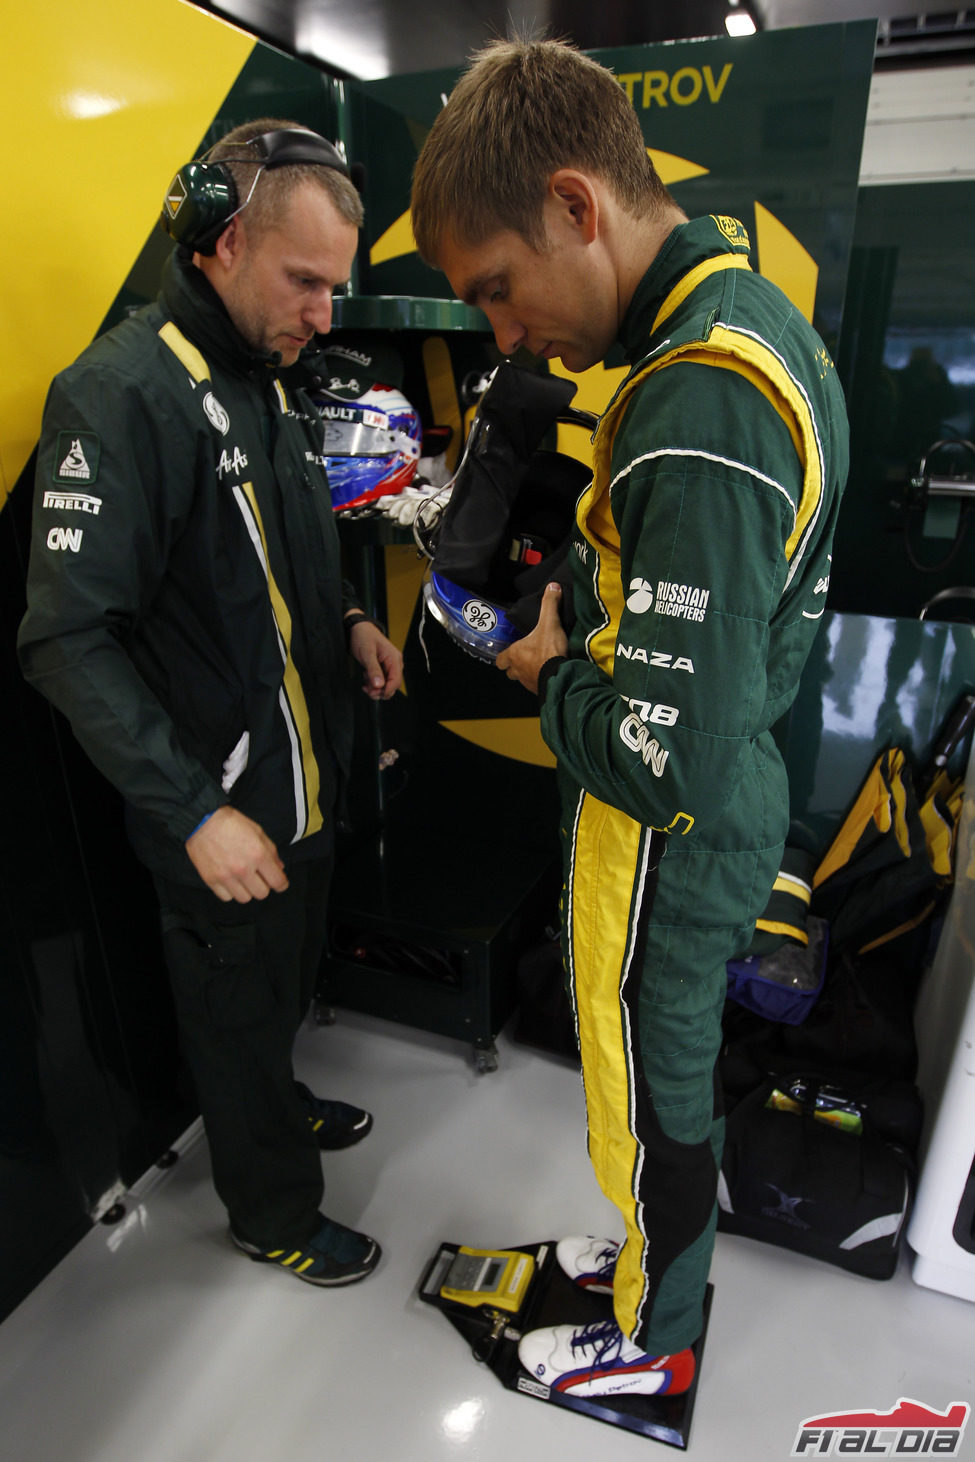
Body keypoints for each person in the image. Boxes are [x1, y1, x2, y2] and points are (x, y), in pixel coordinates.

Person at [411, 39, 848, 1397]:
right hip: (718, 791)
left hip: (666, 827)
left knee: (648, 1088)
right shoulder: (738, 314)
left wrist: (547, 664)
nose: (503, 333)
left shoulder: (693, 400)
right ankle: (648, 1276)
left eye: (497, 288)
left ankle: (647, 1338)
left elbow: (662, 753)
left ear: (574, 206)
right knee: (657, 1074)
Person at [18, 118, 403, 1287]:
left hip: (307, 778)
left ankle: (274, 1103)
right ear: (220, 240)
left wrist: (346, 623)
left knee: (281, 984)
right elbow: (66, 636)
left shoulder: (268, 380)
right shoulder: (121, 394)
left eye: (336, 287)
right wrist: (192, 810)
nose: (324, 315)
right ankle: (272, 1208)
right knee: (235, 1009)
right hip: (218, 807)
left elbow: (289, 551)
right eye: (305, 281)